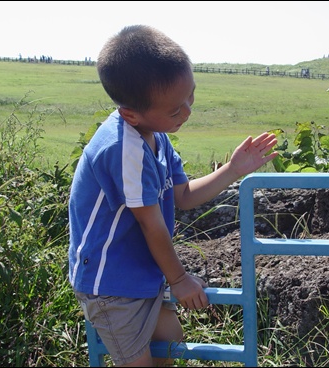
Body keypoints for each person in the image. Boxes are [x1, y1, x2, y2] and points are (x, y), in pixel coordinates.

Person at [68, 24, 278, 367]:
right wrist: (179, 279)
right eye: (175, 109)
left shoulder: (155, 133)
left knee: (171, 345)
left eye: (190, 96)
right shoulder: (124, 150)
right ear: (131, 113)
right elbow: (151, 225)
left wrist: (234, 169)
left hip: (143, 274)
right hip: (112, 284)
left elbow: (182, 195)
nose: (188, 112)